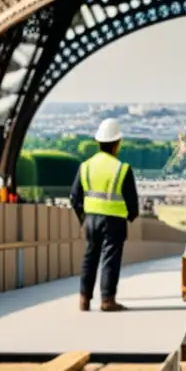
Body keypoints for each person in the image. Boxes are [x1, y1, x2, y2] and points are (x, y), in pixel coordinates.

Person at [70, 118, 140, 312]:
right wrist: (131, 216)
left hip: (91, 218)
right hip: (115, 220)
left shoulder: (85, 166)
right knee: (110, 259)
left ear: (98, 142)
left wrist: (83, 218)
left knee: (90, 257)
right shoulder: (122, 169)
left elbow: (74, 197)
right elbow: (132, 201)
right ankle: (107, 299)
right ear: (117, 143)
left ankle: (84, 299)